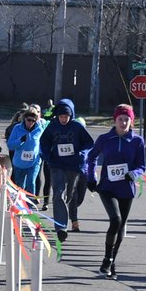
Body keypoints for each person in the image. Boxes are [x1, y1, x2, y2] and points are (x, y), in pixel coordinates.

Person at [85, 104, 146, 279]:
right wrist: (91, 178)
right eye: (120, 119)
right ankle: (106, 260)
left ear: (132, 121)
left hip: (126, 189)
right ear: (115, 120)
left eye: (127, 119)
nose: (124, 122)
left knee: (121, 226)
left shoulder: (137, 141)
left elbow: (142, 166)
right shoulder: (105, 139)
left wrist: (133, 174)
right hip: (107, 187)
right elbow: (91, 157)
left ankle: (111, 261)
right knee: (115, 219)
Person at [39, 98, 93, 241]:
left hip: (73, 166)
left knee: (69, 196)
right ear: (57, 115)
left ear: (71, 115)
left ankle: (67, 216)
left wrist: (82, 154)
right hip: (56, 164)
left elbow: (89, 143)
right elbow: (43, 142)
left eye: (66, 117)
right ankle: (61, 227)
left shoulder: (77, 127)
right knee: (58, 193)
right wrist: (47, 155)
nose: (64, 119)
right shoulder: (52, 126)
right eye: (61, 116)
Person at [7, 104, 45, 199]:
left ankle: (29, 206)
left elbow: (43, 143)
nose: (31, 122)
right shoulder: (17, 128)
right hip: (19, 163)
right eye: (29, 120)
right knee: (20, 186)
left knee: (31, 182)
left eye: (33, 120)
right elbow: (10, 145)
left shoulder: (39, 129)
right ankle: (21, 206)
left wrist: (42, 154)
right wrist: (20, 140)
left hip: (34, 162)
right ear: (24, 118)